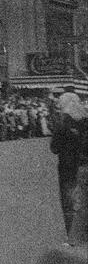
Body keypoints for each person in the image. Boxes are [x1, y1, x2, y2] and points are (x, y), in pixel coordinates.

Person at [50, 89, 88, 238]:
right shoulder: (85, 121)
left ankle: (73, 235)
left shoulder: (63, 123)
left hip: (67, 167)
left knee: (69, 202)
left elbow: (54, 148)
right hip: (84, 163)